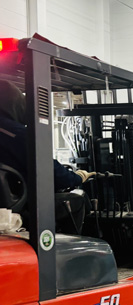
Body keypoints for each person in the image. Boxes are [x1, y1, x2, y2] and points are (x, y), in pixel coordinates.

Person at [0, 80, 95, 233]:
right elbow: (53, 174)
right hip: (19, 205)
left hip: (7, 204)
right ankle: (62, 244)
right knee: (78, 199)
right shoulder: (18, 134)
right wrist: (77, 177)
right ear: (15, 105)